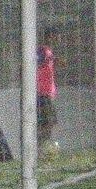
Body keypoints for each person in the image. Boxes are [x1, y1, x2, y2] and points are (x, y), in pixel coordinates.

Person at [38, 29, 58, 157]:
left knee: (49, 122)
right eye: (55, 37)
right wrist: (48, 58)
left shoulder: (49, 52)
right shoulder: (42, 51)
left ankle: (43, 147)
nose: (57, 40)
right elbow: (37, 63)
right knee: (48, 122)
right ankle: (42, 149)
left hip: (48, 92)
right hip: (42, 92)